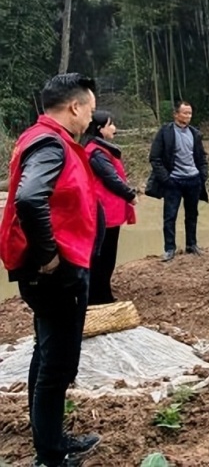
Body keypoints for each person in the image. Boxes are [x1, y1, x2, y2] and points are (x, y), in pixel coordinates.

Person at [0, 73, 101, 467]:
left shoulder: (40, 139)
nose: (90, 120)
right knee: (57, 366)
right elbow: (28, 198)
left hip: (50, 271)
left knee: (46, 355)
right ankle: (49, 457)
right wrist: (48, 256)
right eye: (89, 111)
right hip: (54, 273)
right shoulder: (50, 145)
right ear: (74, 107)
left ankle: (52, 440)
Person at [82, 111, 138, 306]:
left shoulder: (98, 149)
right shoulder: (96, 152)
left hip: (107, 210)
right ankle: (99, 297)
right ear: (100, 129)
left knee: (105, 255)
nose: (114, 128)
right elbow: (111, 178)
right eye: (111, 124)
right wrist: (130, 194)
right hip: (105, 212)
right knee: (104, 256)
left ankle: (101, 293)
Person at [148, 101, 209, 262]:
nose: (188, 116)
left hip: (193, 180)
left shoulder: (195, 133)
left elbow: (201, 157)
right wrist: (166, 179)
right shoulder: (165, 132)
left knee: (192, 214)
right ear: (176, 114)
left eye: (190, 113)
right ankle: (169, 248)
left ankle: (192, 244)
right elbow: (155, 158)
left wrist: (202, 175)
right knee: (170, 216)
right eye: (185, 113)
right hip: (173, 181)